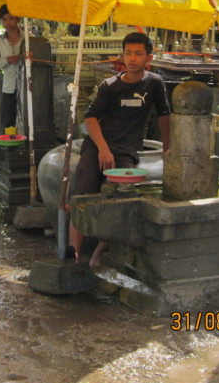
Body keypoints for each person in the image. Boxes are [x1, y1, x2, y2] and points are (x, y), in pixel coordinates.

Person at [70, 31, 171, 267]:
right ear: (122, 57)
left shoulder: (155, 83)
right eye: (128, 53)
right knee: (83, 194)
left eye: (138, 54)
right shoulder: (109, 86)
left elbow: (164, 114)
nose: (133, 58)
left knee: (123, 198)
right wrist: (103, 149)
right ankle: (73, 254)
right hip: (97, 147)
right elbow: (91, 118)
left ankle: (100, 250)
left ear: (149, 57)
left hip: (127, 151)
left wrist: (169, 148)